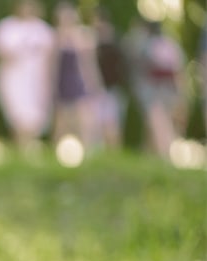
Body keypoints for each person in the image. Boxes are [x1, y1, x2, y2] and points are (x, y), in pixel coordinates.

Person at [0, 0, 56, 149]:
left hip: (36, 81)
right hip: (12, 80)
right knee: (17, 115)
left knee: (35, 117)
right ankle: (21, 147)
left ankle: (29, 148)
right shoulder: (6, 27)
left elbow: (50, 59)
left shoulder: (43, 30)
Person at [50, 1, 102, 149]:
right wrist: (51, 86)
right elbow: (52, 66)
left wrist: (94, 83)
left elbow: (89, 64)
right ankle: (55, 154)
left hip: (79, 81)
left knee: (84, 119)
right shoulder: (55, 37)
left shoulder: (84, 36)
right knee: (60, 123)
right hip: (62, 82)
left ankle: (88, 151)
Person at [135, 21, 187, 159]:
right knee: (155, 126)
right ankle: (152, 156)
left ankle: (165, 156)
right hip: (163, 91)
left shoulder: (148, 46)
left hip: (156, 92)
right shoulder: (171, 46)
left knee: (158, 125)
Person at [92, 7, 128, 149]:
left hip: (113, 87)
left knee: (112, 121)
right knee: (99, 122)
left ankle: (114, 149)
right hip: (98, 88)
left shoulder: (114, 40)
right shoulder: (93, 40)